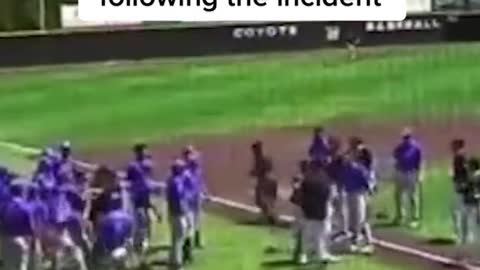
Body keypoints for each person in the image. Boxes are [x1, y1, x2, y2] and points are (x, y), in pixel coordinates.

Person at [298, 161, 340, 265]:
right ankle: (321, 254)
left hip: (309, 211)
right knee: (322, 233)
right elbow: (331, 197)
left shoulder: (307, 180)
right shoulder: (325, 181)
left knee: (308, 234)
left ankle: (305, 255)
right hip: (321, 211)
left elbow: (301, 196)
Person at [342, 154, 375, 254]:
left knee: (361, 220)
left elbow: (367, 183)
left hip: (359, 194)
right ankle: (355, 242)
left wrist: (368, 193)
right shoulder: (346, 170)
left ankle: (368, 243)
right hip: (349, 195)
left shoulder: (358, 169)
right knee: (353, 220)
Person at [93, 196, 135, 270]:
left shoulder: (105, 220)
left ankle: (118, 262)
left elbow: (102, 236)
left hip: (114, 246)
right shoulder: (126, 216)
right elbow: (130, 233)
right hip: (121, 243)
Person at [392, 128, 423, 228]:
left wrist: (419, 174)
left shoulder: (416, 148)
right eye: (404, 137)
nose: (405, 139)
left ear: (410, 137)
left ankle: (414, 218)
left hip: (412, 173)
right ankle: (400, 216)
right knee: (398, 196)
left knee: (413, 196)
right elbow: (395, 157)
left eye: (407, 137)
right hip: (400, 172)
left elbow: (419, 162)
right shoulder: (400, 147)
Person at [1, 181, 34, 270]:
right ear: (22, 192)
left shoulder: (4, 206)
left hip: (5, 240)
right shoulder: (26, 207)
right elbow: (31, 228)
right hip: (21, 242)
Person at [182, 146, 208, 249]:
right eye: (190, 154)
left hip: (196, 196)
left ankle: (197, 240)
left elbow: (200, 182)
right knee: (189, 220)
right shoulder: (184, 170)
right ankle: (188, 241)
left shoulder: (196, 168)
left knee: (198, 219)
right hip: (188, 199)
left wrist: (205, 192)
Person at [166, 159, 189, 270]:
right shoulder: (176, 182)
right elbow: (177, 199)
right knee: (179, 239)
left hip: (174, 213)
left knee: (176, 239)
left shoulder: (173, 180)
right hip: (177, 214)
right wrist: (181, 211)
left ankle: (172, 260)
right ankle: (176, 264)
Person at [249, 140, 277, 222]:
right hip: (273, 179)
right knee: (270, 200)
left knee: (259, 200)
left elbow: (260, 170)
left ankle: (270, 217)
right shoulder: (267, 156)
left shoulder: (259, 157)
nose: (253, 152)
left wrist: (253, 173)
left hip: (265, 180)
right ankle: (269, 216)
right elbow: (268, 167)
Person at [450, 139, 470, 243]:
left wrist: (462, 184)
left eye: (454, 145)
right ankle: (464, 236)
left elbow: (465, 172)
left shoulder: (460, 157)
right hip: (462, 187)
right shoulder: (461, 156)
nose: (451, 147)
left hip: (461, 188)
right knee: (461, 212)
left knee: (460, 212)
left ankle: (461, 236)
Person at [289, 160, 308, 263]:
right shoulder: (300, 178)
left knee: (301, 231)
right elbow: (295, 187)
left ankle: (299, 253)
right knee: (300, 231)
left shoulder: (306, 179)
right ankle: (299, 254)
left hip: (302, 207)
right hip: (300, 207)